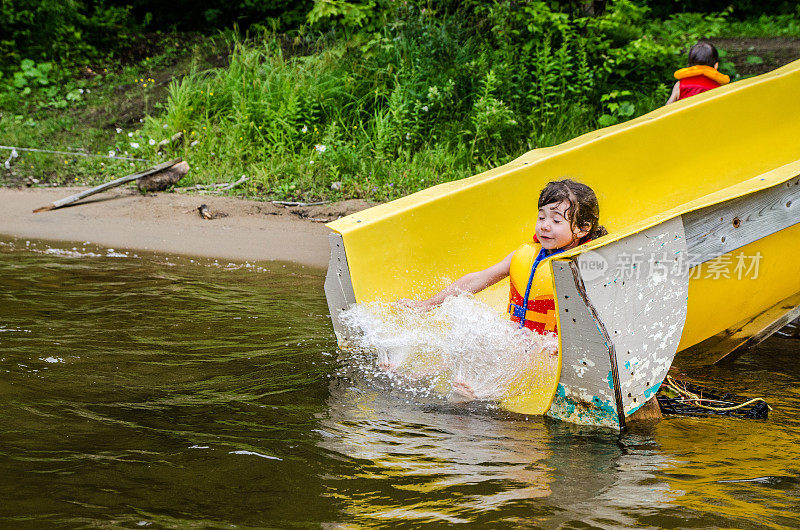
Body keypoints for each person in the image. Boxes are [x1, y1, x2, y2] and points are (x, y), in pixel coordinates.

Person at [398, 179, 607, 334]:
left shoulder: (585, 265)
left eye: (556, 221)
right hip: (519, 338)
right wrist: (428, 304)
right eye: (542, 216)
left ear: (582, 228)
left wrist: (560, 344)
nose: (544, 225)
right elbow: (479, 278)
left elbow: (600, 316)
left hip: (551, 348)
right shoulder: (527, 256)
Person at [666, 41, 730, 105]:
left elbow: (667, 108)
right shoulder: (719, 87)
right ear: (716, 65)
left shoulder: (680, 85)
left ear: (689, 65)